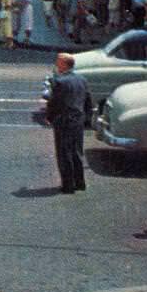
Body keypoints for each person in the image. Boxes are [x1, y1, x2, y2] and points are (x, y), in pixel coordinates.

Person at [45, 53, 91, 193]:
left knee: (64, 154)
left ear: (64, 64)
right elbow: (88, 100)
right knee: (77, 151)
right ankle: (80, 182)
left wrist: (50, 117)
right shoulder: (82, 79)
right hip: (78, 120)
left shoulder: (59, 81)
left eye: (58, 62)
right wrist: (86, 117)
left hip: (64, 120)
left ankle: (68, 185)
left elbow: (54, 103)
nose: (56, 64)